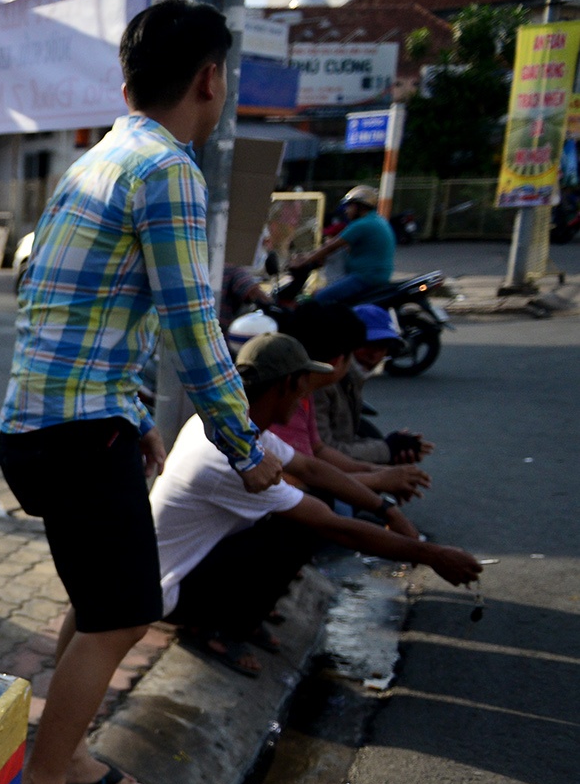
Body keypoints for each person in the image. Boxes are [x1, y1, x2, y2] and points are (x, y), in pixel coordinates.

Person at [0, 0, 284, 784]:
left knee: (100, 599)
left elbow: (64, 306)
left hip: (50, 427)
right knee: (126, 611)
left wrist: (131, 413)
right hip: (80, 436)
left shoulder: (96, 161)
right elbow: (193, 328)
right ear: (210, 79)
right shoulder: (169, 169)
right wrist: (245, 446)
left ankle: (69, 752)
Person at [154, 333, 479, 676]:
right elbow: (335, 527)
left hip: (184, 566)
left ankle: (241, 617)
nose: (307, 396)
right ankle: (215, 627)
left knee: (308, 507)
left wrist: (387, 510)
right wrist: (432, 555)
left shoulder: (233, 427)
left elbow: (310, 468)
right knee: (301, 524)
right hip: (168, 590)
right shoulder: (229, 459)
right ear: (288, 384)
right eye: (305, 384)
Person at [313, 304, 431, 466]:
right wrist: (386, 449)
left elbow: (344, 441)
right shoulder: (322, 385)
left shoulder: (352, 381)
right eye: (368, 345)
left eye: (382, 347)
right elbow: (321, 452)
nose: (374, 354)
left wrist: (395, 447)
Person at [292, 186, 396, 305]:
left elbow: (331, 247)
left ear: (360, 206)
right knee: (320, 292)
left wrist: (304, 261)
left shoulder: (362, 224)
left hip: (365, 277)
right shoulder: (377, 220)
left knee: (320, 298)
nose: (346, 210)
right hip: (377, 276)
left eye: (349, 206)